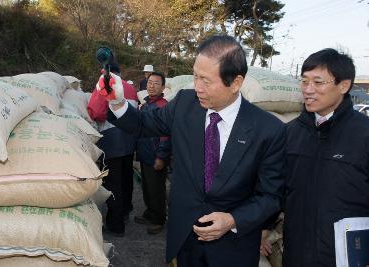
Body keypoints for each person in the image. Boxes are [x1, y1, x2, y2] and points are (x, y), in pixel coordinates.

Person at [103, 35, 286, 266]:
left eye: (206, 81)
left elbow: (271, 196)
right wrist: (118, 103)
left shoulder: (268, 130)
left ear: (236, 82)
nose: (197, 87)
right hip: (185, 237)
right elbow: (143, 123)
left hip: (233, 248)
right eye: (195, 76)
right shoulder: (184, 104)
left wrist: (232, 220)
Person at [283, 48, 369, 267]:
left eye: (318, 83)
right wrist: (264, 228)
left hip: (347, 257)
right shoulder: (290, 133)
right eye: (304, 82)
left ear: (344, 85)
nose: (308, 90)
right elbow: (276, 188)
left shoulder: (364, 133)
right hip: (296, 252)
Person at [87, 63, 138, 237]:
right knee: (126, 179)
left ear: (106, 73)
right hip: (129, 140)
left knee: (112, 183)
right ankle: (125, 212)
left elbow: (97, 112)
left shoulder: (105, 85)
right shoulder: (130, 87)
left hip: (111, 140)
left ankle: (115, 224)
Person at [134, 72, 171, 235]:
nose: (152, 86)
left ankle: (159, 219)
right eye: (150, 83)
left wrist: (161, 156)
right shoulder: (145, 104)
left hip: (156, 153)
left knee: (157, 188)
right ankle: (150, 212)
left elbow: (167, 134)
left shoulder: (163, 106)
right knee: (147, 186)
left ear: (163, 87)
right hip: (145, 150)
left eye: (156, 83)